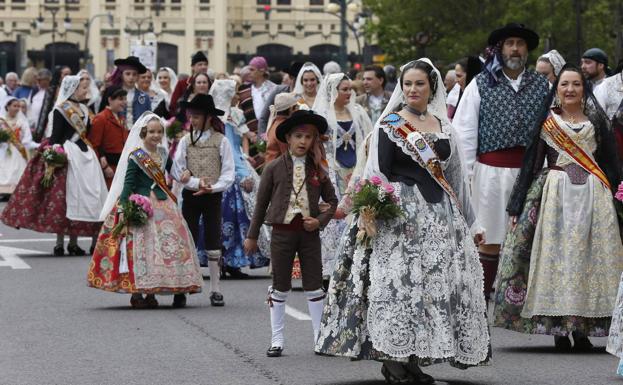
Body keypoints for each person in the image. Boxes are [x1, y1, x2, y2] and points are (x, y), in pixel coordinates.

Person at [315, 59, 489, 384]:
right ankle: (393, 362)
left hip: (438, 220)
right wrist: (373, 213)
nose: (412, 90)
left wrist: (473, 224)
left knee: (425, 293)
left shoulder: (444, 127)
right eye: (407, 84)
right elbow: (376, 173)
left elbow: (457, 181)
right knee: (396, 290)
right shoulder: (389, 124)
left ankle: (413, 361)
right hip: (398, 217)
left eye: (419, 84)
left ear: (431, 87)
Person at [495, 64, 623, 351]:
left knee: (587, 262)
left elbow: (610, 161)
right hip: (555, 195)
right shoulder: (547, 121)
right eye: (564, 84)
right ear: (557, 88)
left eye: (576, 84)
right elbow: (531, 162)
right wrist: (516, 204)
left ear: (583, 88)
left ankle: (583, 329)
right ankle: (559, 328)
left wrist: (618, 194)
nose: (570, 90)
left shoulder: (596, 120)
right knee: (558, 259)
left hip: (593, 195)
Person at [453, 23, 549, 299]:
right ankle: (480, 305)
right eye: (510, 43)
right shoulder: (481, 84)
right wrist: (466, 176)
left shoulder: (542, 86)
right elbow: (465, 133)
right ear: (500, 48)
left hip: (531, 172)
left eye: (520, 43)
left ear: (527, 50)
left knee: (529, 240)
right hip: (490, 173)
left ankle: (527, 306)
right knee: (489, 239)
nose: (515, 48)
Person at [244, 109, 337, 358]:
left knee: (315, 286)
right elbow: (261, 204)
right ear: (288, 138)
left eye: (308, 137)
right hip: (282, 234)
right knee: (280, 286)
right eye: (298, 136)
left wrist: (319, 221)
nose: (303, 142)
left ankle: (319, 339)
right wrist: (252, 236)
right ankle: (277, 339)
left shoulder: (318, 169)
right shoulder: (273, 168)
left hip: (309, 234)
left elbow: (333, 201)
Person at [87, 112, 203, 308]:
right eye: (152, 132)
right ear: (143, 133)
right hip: (142, 203)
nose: (156, 135)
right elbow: (128, 184)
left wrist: (187, 174)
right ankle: (140, 293)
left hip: (164, 204)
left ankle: (178, 288)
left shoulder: (164, 154)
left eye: (159, 132)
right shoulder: (136, 156)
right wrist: (124, 207)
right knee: (141, 249)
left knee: (175, 244)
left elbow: (174, 172)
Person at [1, 75, 107, 256]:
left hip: (85, 157)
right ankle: (59, 243)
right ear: (73, 89)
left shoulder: (85, 109)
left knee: (82, 199)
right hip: (67, 156)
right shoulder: (61, 110)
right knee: (63, 200)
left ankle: (74, 243)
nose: (86, 91)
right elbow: (56, 136)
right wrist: (53, 156)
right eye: (83, 88)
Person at [172, 93, 235, 306]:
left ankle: (215, 289)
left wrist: (212, 188)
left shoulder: (221, 141)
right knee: (186, 240)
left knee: (213, 240)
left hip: (212, 197)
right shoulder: (185, 140)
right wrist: (196, 183)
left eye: (197, 116)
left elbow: (228, 173)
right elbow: (178, 168)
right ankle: (181, 287)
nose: (193, 120)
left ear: (209, 117)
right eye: (192, 116)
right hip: (191, 195)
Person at [313, 73, 373, 283]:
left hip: (353, 171)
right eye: (344, 89)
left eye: (350, 89)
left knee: (353, 217)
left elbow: (368, 140)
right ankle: (328, 268)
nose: (349, 93)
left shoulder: (358, 113)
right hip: (331, 171)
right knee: (332, 221)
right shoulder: (322, 115)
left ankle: (351, 263)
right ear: (333, 91)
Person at [210, 79, 270, 277]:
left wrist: (246, 158)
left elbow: (238, 147)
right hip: (228, 171)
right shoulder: (222, 120)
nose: (238, 96)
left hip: (232, 164)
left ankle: (227, 261)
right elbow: (229, 151)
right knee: (234, 217)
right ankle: (229, 260)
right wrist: (242, 173)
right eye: (234, 92)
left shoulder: (230, 116)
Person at [88, 85, 128, 188]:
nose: (124, 102)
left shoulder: (121, 117)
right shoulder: (101, 118)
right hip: (109, 167)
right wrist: (105, 167)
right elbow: (94, 144)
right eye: (120, 99)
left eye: (125, 99)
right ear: (110, 99)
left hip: (121, 164)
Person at [0, 97, 38, 195]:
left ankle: (14, 192)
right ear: (7, 106)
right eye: (14, 106)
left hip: (18, 150)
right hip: (4, 149)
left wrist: (30, 145)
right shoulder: (1, 121)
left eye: (18, 106)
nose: (17, 108)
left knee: (17, 169)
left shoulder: (22, 121)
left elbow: (27, 138)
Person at [106, 56, 150, 128]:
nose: (131, 77)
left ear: (138, 77)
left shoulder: (144, 97)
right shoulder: (112, 94)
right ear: (122, 75)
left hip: (138, 135)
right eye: (128, 74)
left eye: (134, 74)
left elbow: (149, 119)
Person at [169, 51, 209, 117]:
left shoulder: (211, 84)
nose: (203, 67)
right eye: (200, 64)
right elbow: (173, 105)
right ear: (193, 67)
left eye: (205, 64)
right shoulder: (183, 83)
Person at [265, 93, 299, 164]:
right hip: (277, 170)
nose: (297, 109)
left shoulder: (276, 122)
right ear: (291, 109)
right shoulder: (283, 128)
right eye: (296, 107)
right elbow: (289, 155)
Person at [248, 56, 276, 132]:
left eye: (252, 70)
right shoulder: (245, 89)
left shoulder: (273, 89)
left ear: (261, 71)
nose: (249, 72)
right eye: (249, 69)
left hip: (268, 129)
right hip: (250, 132)